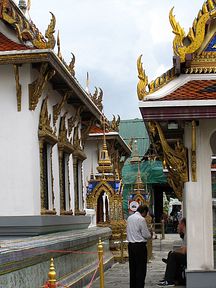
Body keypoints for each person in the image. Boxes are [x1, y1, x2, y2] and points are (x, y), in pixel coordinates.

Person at [127, 205, 152, 288]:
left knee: (133, 268)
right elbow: (146, 234)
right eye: (146, 213)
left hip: (131, 245)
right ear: (144, 212)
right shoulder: (141, 219)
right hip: (140, 246)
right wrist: (151, 234)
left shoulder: (129, 218)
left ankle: (133, 286)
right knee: (141, 269)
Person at [157, 218, 187, 287]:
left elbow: (184, 250)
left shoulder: (187, 235)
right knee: (171, 254)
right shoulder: (185, 235)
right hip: (187, 256)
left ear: (182, 224)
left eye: (179, 224)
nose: (178, 226)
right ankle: (169, 278)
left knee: (173, 255)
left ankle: (169, 280)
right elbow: (183, 248)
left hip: (189, 258)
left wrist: (175, 252)